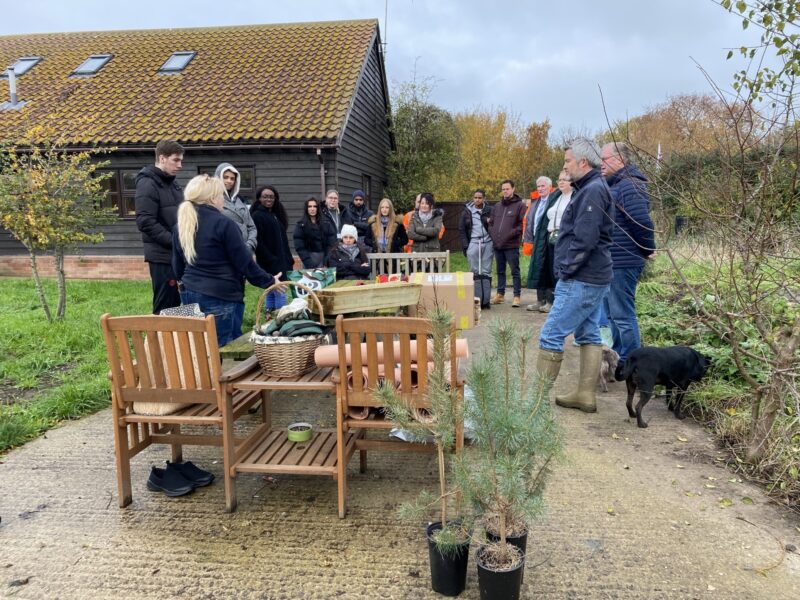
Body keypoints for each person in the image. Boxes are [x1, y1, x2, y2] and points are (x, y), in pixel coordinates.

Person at [535, 138, 615, 414]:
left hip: (582, 278)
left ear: (583, 162)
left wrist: (567, 269)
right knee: (589, 332)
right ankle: (585, 395)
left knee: (550, 334)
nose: (565, 166)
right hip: (594, 277)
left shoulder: (592, 191)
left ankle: (534, 406)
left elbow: (585, 238)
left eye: (568, 161)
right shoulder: (591, 188)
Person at [172, 175, 279, 346]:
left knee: (199, 346)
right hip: (221, 295)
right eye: (221, 195)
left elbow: (177, 265)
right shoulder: (224, 224)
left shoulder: (182, 224)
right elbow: (244, 262)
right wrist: (270, 281)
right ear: (212, 198)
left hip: (189, 292)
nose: (223, 199)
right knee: (225, 348)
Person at [600, 141, 656, 374]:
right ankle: (621, 357)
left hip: (625, 259)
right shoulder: (618, 184)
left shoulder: (630, 186)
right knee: (613, 314)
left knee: (623, 314)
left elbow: (641, 221)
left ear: (620, 160)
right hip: (615, 259)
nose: (600, 164)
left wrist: (647, 248)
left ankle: (634, 362)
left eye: (604, 159)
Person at [135, 140, 185, 314]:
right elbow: (145, 221)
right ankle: (157, 340)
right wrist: (174, 241)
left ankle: (174, 341)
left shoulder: (172, 183)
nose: (180, 165)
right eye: (176, 160)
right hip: (162, 257)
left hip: (176, 255)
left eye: (181, 161)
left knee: (178, 305)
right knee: (164, 308)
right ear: (162, 158)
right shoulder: (148, 183)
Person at [250, 185, 294, 309]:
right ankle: (279, 316)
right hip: (270, 262)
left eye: (271, 197)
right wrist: (271, 259)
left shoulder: (275, 215)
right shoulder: (257, 216)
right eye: (265, 197)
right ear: (259, 198)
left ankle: (270, 316)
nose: (268, 199)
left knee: (272, 290)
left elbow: (283, 241)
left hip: (281, 261)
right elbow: (258, 242)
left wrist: (288, 258)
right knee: (278, 290)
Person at [488, 179, 526, 307]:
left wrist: (510, 235)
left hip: (511, 245)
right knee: (500, 271)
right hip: (498, 245)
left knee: (515, 271)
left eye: (507, 189)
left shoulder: (520, 205)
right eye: (503, 189)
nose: (505, 191)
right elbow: (491, 224)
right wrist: (493, 235)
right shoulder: (497, 206)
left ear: (513, 189)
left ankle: (516, 296)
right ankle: (500, 294)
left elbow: (522, 225)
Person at [523, 176, 556, 312]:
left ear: (550, 187)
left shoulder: (554, 201)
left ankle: (549, 301)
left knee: (548, 270)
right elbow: (529, 221)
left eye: (543, 186)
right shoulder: (535, 202)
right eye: (539, 186)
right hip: (536, 240)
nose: (541, 189)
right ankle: (539, 300)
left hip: (548, 240)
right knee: (538, 270)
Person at [458, 189, 493, 309]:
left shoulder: (489, 210)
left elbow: (494, 224)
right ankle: (477, 300)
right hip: (473, 241)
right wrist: (466, 247)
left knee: (487, 270)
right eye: (475, 197)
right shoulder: (466, 212)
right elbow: (462, 230)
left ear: (484, 198)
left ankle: (486, 300)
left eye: (480, 198)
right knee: (474, 271)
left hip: (487, 242)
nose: (477, 200)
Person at [214, 163, 257, 254]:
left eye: (232, 178)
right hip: (227, 252)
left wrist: (250, 245)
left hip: (246, 252)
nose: (229, 181)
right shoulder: (212, 200)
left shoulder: (239, 200)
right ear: (218, 177)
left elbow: (252, 227)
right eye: (225, 177)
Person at [367, 198, 408, 274]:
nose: (384, 210)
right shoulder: (373, 223)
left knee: (392, 279)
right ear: (379, 209)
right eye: (382, 207)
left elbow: (405, 239)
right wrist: (374, 244)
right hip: (377, 257)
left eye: (387, 207)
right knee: (378, 280)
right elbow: (366, 239)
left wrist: (394, 243)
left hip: (392, 256)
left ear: (390, 208)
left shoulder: (397, 223)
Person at [293, 197, 334, 268]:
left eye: (315, 206)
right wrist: (308, 263)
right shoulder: (301, 225)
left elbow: (331, 244)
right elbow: (300, 247)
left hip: (323, 258)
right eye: (310, 206)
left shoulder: (326, 223)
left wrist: (326, 261)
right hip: (308, 260)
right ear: (306, 208)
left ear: (318, 208)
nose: (312, 209)